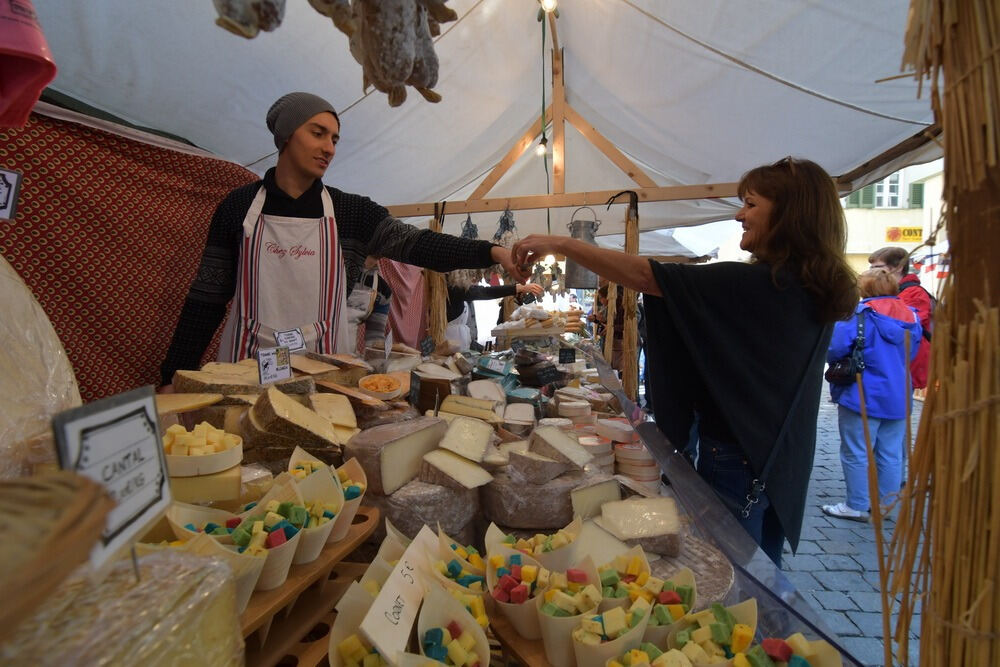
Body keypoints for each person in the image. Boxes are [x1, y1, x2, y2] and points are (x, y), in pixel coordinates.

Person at [512, 157, 858, 566]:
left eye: (750, 204)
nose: (739, 214)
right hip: (782, 464)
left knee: (727, 577)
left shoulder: (758, 284)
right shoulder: (811, 290)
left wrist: (563, 244)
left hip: (735, 460)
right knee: (764, 580)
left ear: (787, 213)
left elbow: (646, 277)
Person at [160, 92, 526, 385]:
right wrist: (172, 374)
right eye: (317, 133)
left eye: (334, 138)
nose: (329, 148)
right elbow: (206, 300)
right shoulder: (238, 207)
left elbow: (420, 245)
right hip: (249, 368)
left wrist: (491, 251)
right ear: (286, 136)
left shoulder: (351, 213)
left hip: (326, 373)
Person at [822, 268, 921, 521]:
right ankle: (886, 507)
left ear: (864, 289)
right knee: (891, 453)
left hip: (861, 393)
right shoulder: (911, 315)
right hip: (898, 394)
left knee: (856, 450)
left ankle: (857, 504)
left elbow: (833, 349)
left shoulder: (859, 314)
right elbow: (912, 353)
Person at [867, 247, 933, 390]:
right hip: (893, 362)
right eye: (871, 267)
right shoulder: (889, 292)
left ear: (898, 268)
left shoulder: (914, 293)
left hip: (905, 364)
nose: (873, 272)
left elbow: (905, 328)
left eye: (878, 267)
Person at [445, 275, 543, 350]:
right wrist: (518, 288)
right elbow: (485, 292)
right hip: (449, 346)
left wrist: (479, 347)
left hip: (461, 347)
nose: (473, 279)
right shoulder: (454, 290)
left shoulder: (459, 293)